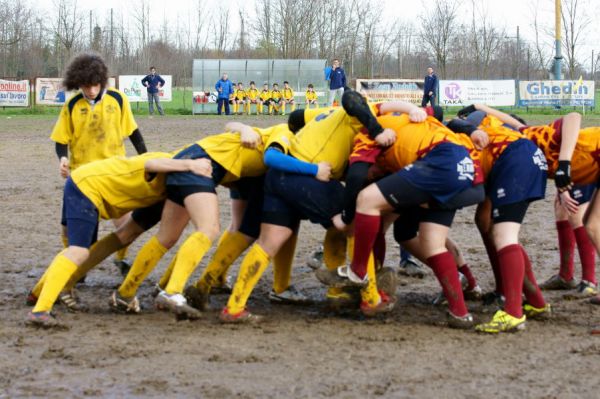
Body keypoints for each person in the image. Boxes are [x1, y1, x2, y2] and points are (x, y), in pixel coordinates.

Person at [25, 153, 213, 327]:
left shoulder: (172, 192)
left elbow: (131, 233)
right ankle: (40, 311)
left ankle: (37, 293)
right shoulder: (174, 163)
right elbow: (149, 163)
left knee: (124, 236)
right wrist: (190, 164)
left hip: (93, 187)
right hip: (86, 186)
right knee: (78, 250)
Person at [47, 51, 147, 287]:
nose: (91, 90)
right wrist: (62, 159)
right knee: (69, 228)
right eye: (85, 86)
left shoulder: (118, 100)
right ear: (77, 84)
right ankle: (78, 269)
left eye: (95, 85)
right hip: (82, 179)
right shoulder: (72, 105)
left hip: (114, 174)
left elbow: (133, 132)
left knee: (127, 224)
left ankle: (121, 261)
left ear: (102, 81)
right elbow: (61, 139)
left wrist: (145, 158)